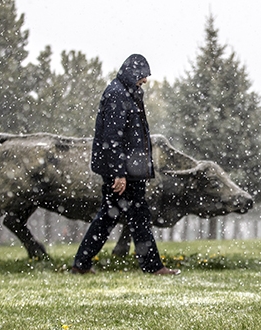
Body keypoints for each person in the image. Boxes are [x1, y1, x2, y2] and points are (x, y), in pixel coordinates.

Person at [71, 54, 180, 276]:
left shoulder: (129, 93)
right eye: (143, 76)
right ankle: (151, 267)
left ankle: (83, 264)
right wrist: (119, 174)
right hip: (123, 172)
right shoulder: (117, 95)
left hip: (131, 169)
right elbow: (112, 138)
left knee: (122, 216)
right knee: (120, 216)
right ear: (132, 74)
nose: (145, 81)